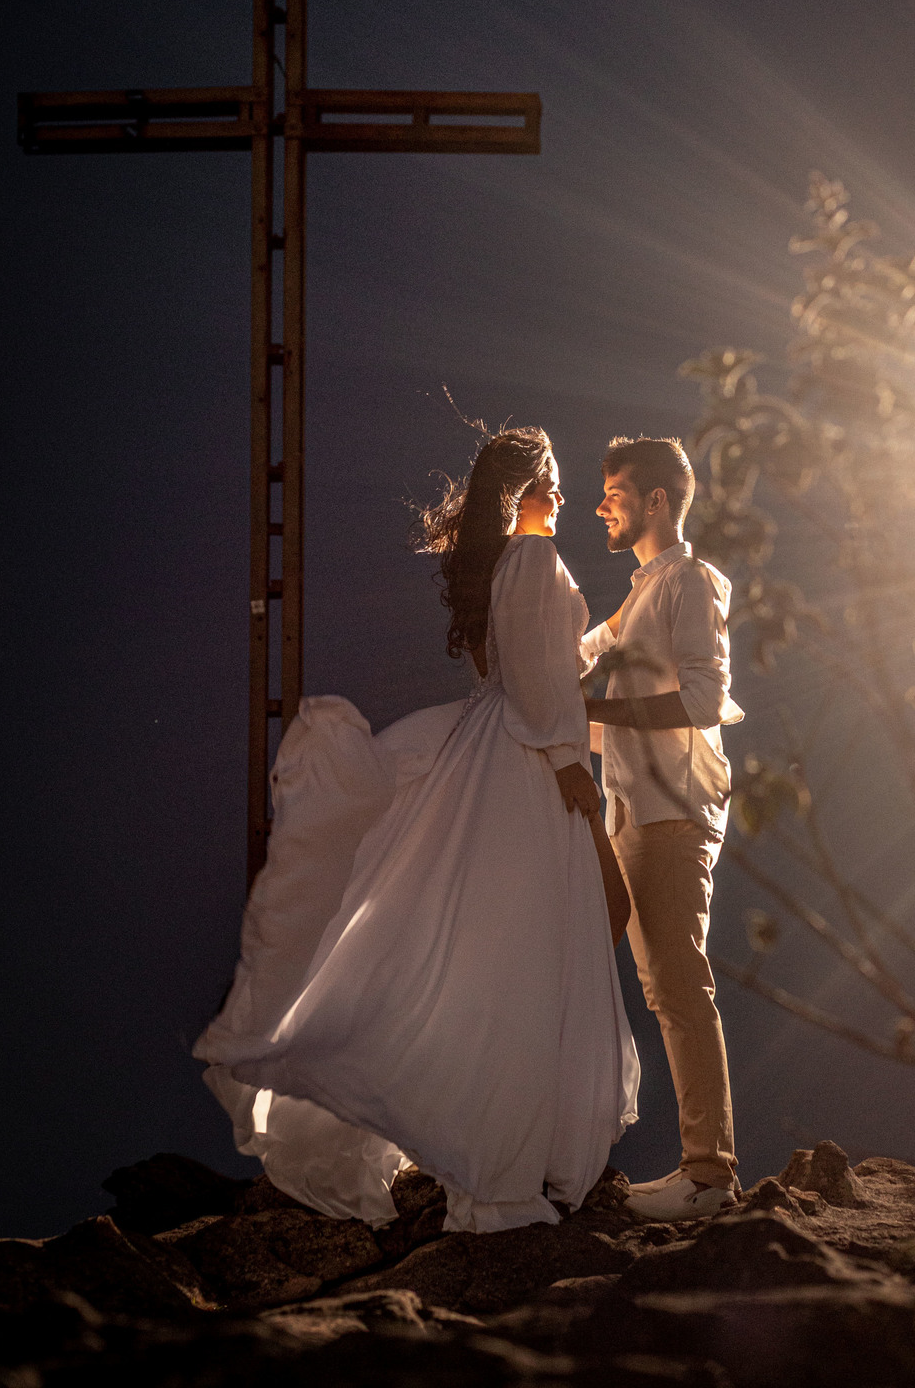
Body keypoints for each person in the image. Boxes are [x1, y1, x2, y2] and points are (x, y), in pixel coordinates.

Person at [195, 426, 639, 1234]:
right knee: (533, 953)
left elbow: (536, 659)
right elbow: (541, 689)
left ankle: (491, 1158)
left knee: (498, 953)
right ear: (526, 488)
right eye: (552, 482)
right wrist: (573, 763)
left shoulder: (488, 568)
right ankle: (502, 1174)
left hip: (489, 753)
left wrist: (607, 640)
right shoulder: (532, 557)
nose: (564, 497)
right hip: (529, 763)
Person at [581, 435, 744, 1220]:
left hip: (673, 812)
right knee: (660, 986)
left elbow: (707, 700)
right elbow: (584, 696)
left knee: (678, 984)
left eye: (613, 491)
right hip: (630, 811)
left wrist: (599, 708)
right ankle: (695, 1169)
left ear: (654, 501)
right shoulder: (638, 595)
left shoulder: (690, 581)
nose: (600, 504)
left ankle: (709, 1177)